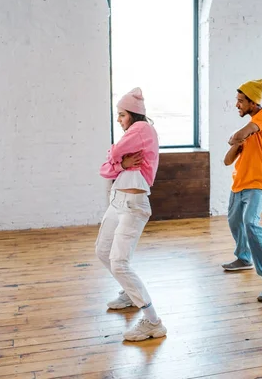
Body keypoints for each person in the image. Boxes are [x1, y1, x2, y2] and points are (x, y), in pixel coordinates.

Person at [96, 87, 167, 342]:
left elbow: (113, 153)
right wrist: (121, 163)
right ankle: (128, 292)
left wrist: (117, 159)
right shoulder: (133, 134)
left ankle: (153, 322)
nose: (119, 119)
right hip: (116, 201)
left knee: (119, 262)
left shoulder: (143, 130)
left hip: (133, 204)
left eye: (121, 114)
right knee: (102, 251)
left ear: (134, 114)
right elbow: (106, 169)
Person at [222, 79, 262, 302]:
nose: (237, 105)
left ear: (253, 102)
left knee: (251, 223)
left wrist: (236, 137)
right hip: (238, 184)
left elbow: (235, 137)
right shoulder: (249, 131)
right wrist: (237, 140)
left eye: (240, 101)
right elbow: (228, 160)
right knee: (234, 221)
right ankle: (244, 258)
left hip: (257, 183)